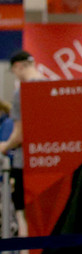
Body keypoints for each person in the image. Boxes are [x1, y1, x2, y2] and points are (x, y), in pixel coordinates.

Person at [1, 50, 41, 214]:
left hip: (25, 162)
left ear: (18, 67)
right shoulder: (54, 85)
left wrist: (4, 146)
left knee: (23, 214)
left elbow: (19, 134)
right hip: (51, 162)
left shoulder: (21, 92)